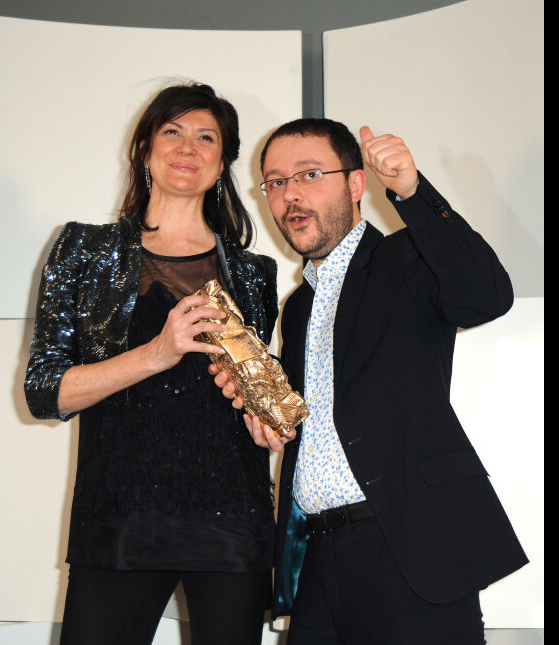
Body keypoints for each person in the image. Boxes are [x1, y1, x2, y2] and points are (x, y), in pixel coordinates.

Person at [211, 118, 529, 644]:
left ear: (356, 185)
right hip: (317, 555)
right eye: (275, 182)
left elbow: (486, 296)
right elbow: (318, 419)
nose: (290, 195)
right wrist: (270, 427)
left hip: (409, 549)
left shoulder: (406, 258)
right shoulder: (298, 307)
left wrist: (411, 190)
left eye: (309, 174)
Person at [24, 81, 279, 645]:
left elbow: (251, 391)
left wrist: (269, 424)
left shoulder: (254, 272)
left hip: (233, 522)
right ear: (144, 149)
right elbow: (45, 392)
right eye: (172, 132)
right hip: (118, 518)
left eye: (205, 137)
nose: (188, 147)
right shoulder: (84, 250)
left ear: (222, 163)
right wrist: (156, 354)